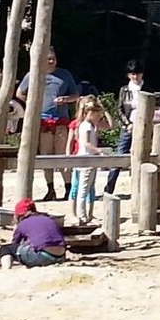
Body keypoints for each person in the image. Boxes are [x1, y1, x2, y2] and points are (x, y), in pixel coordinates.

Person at [14, 49, 78, 202]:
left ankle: (68, 188)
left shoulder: (65, 75)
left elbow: (75, 95)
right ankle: (50, 189)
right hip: (42, 121)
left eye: (53, 58)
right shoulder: (33, 74)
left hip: (61, 120)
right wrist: (33, 102)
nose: (51, 61)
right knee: (46, 155)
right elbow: (19, 93)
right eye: (48, 58)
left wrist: (65, 99)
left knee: (63, 155)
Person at [104, 60, 145, 194]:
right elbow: (119, 109)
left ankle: (142, 188)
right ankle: (109, 188)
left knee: (143, 157)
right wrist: (128, 124)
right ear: (128, 75)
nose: (135, 77)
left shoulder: (147, 89)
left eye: (137, 73)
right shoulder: (124, 90)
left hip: (144, 127)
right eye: (132, 74)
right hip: (128, 127)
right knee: (120, 155)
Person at [1, 197, 67, 269]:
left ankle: (6, 269)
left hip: (43, 256)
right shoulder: (48, 219)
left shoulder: (23, 224)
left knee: (6, 249)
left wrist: (16, 228)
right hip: (61, 256)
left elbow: (14, 244)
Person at [71, 96, 106, 225]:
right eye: (98, 116)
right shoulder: (86, 126)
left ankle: (84, 215)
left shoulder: (87, 125)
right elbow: (85, 143)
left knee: (85, 188)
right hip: (86, 160)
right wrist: (98, 150)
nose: (98, 119)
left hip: (86, 160)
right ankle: (82, 216)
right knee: (83, 190)